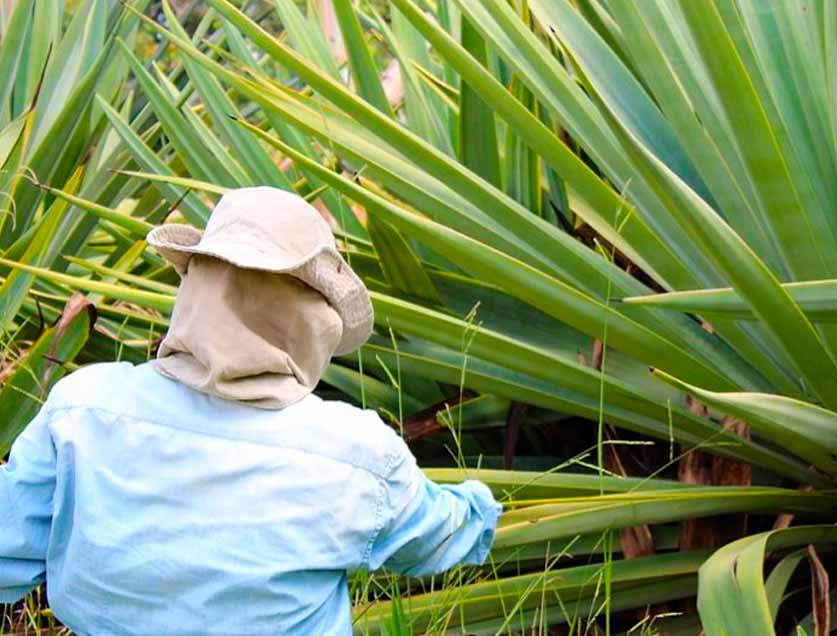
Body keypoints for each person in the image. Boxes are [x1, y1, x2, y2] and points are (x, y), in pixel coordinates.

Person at [0, 187, 501, 635]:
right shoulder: (358, 455)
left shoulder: (82, 409)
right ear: (311, 319)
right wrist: (485, 506)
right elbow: (438, 539)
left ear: (196, 284)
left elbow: (8, 547)